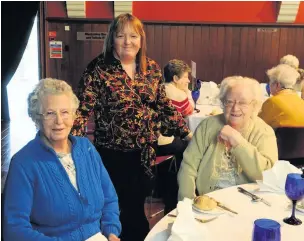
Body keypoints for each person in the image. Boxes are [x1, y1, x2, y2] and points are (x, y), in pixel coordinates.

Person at [71, 14, 192, 241]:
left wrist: (187, 133)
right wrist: (68, 145)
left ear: (141, 39)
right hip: (112, 154)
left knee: (136, 206)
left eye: (133, 36)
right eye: (120, 36)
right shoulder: (98, 69)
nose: (128, 41)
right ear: (112, 39)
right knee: (116, 209)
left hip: (145, 153)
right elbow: (83, 110)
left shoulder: (152, 68)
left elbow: (164, 106)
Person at [2, 78, 121, 241]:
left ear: (73, 116)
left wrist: (111, 232)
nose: (59, 121)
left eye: (65, 112)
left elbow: (110, 199)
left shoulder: (87, 149)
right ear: (37, 118)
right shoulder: (24, 163)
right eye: (50, 113)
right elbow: (14, 229)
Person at [178, 76, 278, 200]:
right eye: (229, 101)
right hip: (208, 201)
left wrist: (238, 142)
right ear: (222, 103)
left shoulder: (263, 132)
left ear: (254, 105)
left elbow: (266, 176)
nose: (235, 108)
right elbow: (188, 166)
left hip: (247, 203)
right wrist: (187, 202)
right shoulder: (207, 126)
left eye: (242, 103)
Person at [259, 64, 304, 129]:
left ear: (277, 85)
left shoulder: (272, 101)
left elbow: (259, 124)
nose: (269, 86)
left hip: (277, 138)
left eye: (270, 83)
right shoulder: (301, 101)